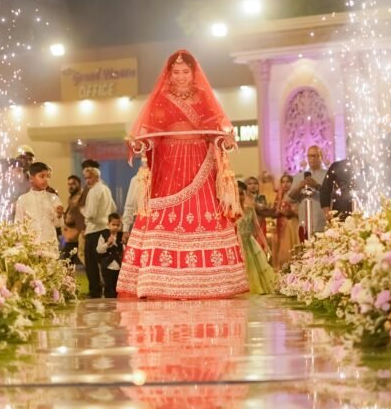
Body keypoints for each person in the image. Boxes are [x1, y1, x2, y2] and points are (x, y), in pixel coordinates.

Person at [117, 49, 248, 300]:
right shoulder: (161, 100)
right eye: (175, 72)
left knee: (204, 210)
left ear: (193, 72)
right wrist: (139, 144)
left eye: (185, 72)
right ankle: (159, 282)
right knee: (163, 214)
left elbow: (217, 130)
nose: (180, 76)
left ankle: (209, 281)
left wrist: (225, 138)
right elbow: (148, 135)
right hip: (169, 165)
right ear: (168, 74)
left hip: (200, 163)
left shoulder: (203, 98)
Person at [81, 159, 116, 298]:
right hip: (104, 229)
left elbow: (91, 214)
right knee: (104, 262)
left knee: (91, 264)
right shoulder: (106, 189)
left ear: (96, 176)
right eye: (86, 178)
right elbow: (113, 208)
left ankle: (95, 291)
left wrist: (82, 210)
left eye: (89, 178)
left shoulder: (94, 191)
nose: (87, 181)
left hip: (94, 230)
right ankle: (109, 289)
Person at [236, 182, 276, 294]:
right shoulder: (232, 211)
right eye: (237, 194)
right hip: (237, 243)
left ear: (245, 194)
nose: (240, 197)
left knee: (255, 267)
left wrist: (266, 245)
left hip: (250, 242)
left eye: (241, 193)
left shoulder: (250, 209)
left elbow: (258, 229)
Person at [14, 162, 63, 252]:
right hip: (31, 247)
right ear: (31, 178)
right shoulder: (23, 199)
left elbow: (58, 224)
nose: (46, 180)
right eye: (42, 176)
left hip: (49, 246)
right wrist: (21, 247)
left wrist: (59, 216)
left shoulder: (53, 198)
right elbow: (18, 225)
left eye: (48, 176)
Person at [288, 146, 329, 237]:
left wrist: (317, 186)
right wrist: (298, 187)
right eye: (309, 156)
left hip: (321, 220)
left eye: (315, 156)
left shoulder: (327, 175)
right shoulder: (299, 176)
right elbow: (290, 198)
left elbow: (332, 195)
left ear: (321, 157)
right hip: (304, 221)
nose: (312, 159)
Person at [272, 174, 300, 271]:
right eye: (283, 182)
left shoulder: (296, 195)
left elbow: (298, 212)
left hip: (292, 224)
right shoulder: (279, 196)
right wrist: (278, 212)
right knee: (281, 247)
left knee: (291, 247)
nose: (285, 184)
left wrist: (290, 212)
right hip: (280, 223)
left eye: (288, 181)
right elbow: (274, 211)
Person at [96, 212, 125, 298]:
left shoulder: (121, 236)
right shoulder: (103, 235)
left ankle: (116, 307)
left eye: (117, 225)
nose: (115, 227)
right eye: (113, 224)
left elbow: (123, 249)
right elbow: (99, 250)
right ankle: (108, 307)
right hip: (107, 266)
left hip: (118, 266)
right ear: (108, 224)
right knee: (108, 288)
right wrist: (107, 244)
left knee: (117, 288)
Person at [321, 157, 358, 222]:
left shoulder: (367, 168)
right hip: (340, 214)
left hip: (364, 215)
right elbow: (325, 191)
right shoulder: (337, 166)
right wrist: (328, 214)